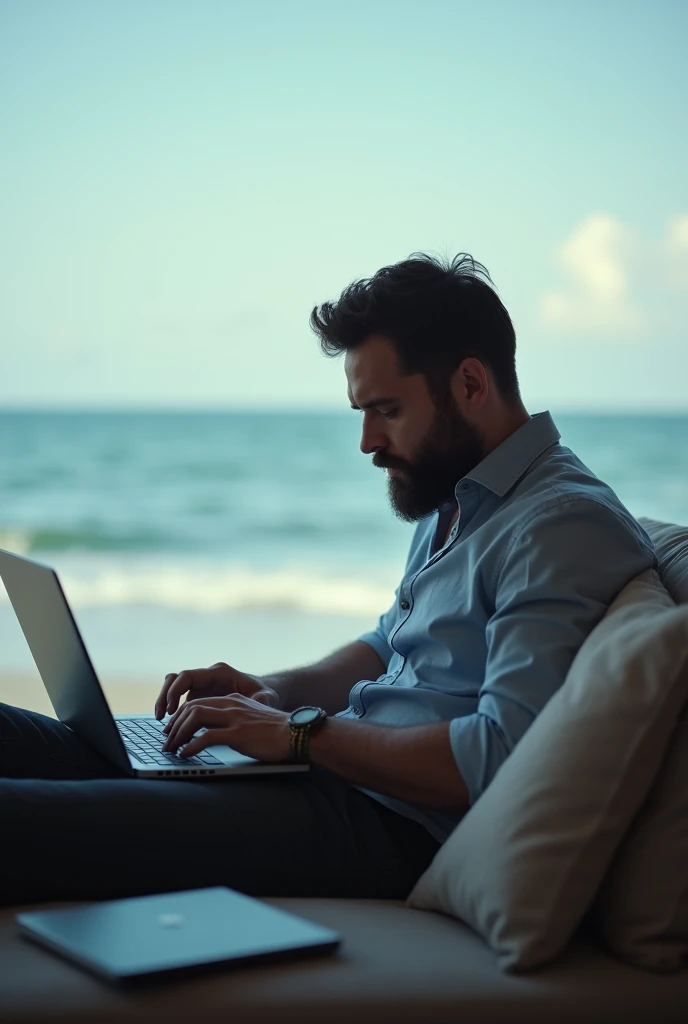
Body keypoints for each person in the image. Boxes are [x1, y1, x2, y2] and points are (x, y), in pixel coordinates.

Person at [1, 252, 656, 908]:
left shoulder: (560, 526)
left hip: (383, 826)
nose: (368, 441)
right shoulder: (460, 495)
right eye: (361, 412)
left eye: (387, 409)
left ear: (470, 384)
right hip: (327, 776)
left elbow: (495, 754)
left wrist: (298, 735)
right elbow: (385, 644)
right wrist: (274, 692)